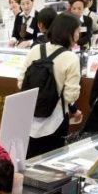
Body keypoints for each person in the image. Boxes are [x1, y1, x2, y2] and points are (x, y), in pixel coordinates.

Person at [18, 13, 83, 158]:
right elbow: (70, 96)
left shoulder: (35, 49)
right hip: (55, 120)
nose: (79, 35)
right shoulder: (71, 58)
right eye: (77, 31)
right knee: (51, 161)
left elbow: (21, 82)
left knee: (28, 160)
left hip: (29, 117)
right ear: (69, 33)